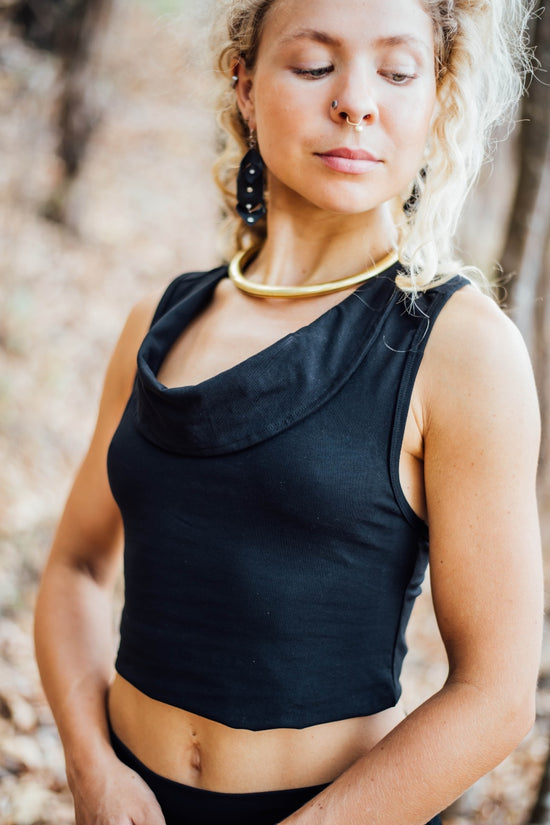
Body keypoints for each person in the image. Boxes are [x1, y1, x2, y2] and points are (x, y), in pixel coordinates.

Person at [34, 0, 543, 823]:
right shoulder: (158, 323)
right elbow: (76, 569)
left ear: (437, 100)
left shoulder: (461, 348)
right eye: (314, 65)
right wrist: (92, 766)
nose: (356, 101)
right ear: (244, 85)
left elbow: (497, 692)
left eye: (398, 71)